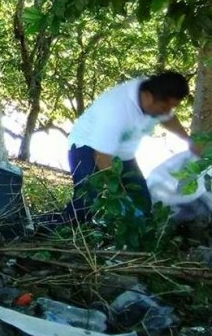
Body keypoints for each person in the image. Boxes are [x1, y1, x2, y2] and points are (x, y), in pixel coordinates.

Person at [41, 71, 198, 229]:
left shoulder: (156, 100)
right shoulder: (117, 109)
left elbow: (169, 118)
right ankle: (42, 227)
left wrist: (189, 141)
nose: (166, 112)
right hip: (87, 147)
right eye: (165, 107)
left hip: (122, 152)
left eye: (171, 107)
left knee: (142, 203)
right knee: (86, 202)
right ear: (149, 96)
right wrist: (121, 197)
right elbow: (101, 157)